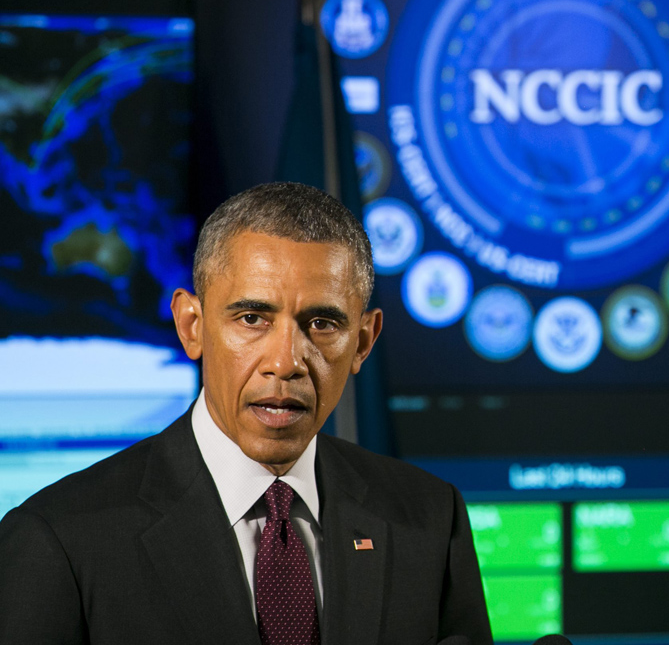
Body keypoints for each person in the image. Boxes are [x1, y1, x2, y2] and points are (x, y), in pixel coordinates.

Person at [0, 182, 493, 645]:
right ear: (191, 326)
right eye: (252, 318)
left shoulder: (430, 517)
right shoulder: (58, 539)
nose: (285, 362)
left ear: (363, 341)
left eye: (321, 323)